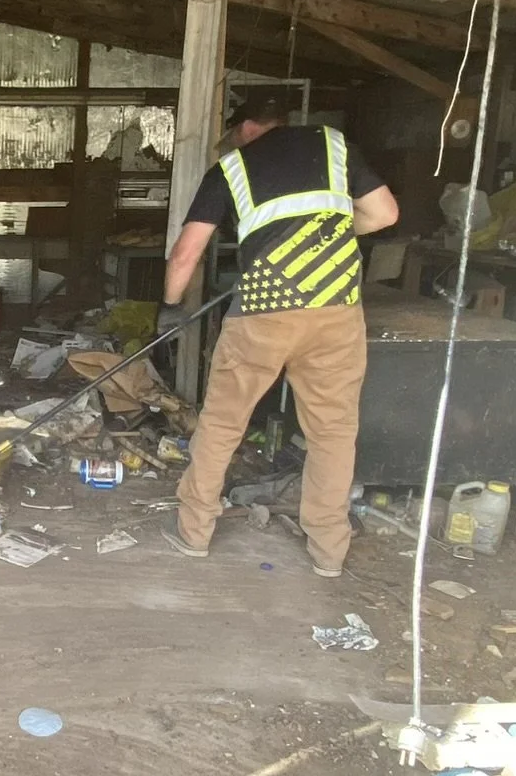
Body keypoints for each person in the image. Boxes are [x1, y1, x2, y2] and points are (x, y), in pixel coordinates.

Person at [159, 90, 399, 576]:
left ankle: (194, 531)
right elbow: (384, 215)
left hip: (263, 312)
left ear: (246, 129)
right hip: (336, 310)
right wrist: (319, 241)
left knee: (224, 421)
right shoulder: (334, 146)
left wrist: (168, 308)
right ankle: (329, 551)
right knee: (332, 432)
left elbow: (186, 253)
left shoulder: (231, 168)